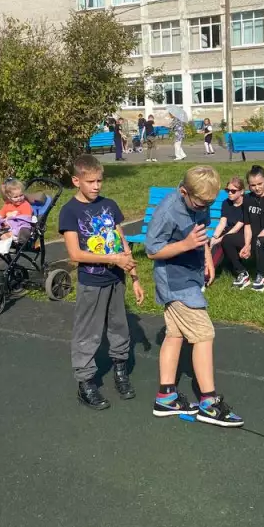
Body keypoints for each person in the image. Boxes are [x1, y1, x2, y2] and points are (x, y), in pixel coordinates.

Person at [144, 165, 243, 428]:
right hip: (174, 279)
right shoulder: (167, 211)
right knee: (203, 333)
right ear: (184, 192)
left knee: (175, 334)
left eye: (208, 204)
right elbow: (152, 251)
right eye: (199, 203)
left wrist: (208, 258)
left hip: (191, 274)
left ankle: (166, 397)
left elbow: (202, 232)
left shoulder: (201, 201)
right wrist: (185, 245)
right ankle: (208, 403)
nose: (203, 209)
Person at [59, 154, 145, 410]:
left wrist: (134, 276)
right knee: (89, 332)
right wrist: (112, 258)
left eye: (99, 181)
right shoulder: (70, 211)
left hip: (116, 278)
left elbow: (122, 242)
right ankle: (85, 382)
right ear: (76, 181)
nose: (96, 186)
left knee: (120, 326)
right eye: (91, 181)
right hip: (91, 282)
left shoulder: (109, 205)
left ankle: (120, 370)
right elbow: (75, 255)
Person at [221, 164, 264, 292]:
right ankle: (242, 273)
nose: (257, 188)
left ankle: (262, 276)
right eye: (253, 185)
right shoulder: (248, 199)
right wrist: (247, 244)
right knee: (227, 239)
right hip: (253, 238)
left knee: (259, 241)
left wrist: (251, 246)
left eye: (259, 184)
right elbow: (247, 225)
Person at [210, 177, 245, 271]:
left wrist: (219, 239)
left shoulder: (246, 204)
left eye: (233, 191)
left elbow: (237, 228)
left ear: (241, 191)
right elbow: (222, 223)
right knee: (209, 243)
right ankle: (203, 268)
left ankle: (208, 272)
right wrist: (214, 237)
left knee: (221, 243)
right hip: (229, 232)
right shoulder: (226, 203)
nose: (229, 193)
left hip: (242, 234)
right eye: (227, 190)